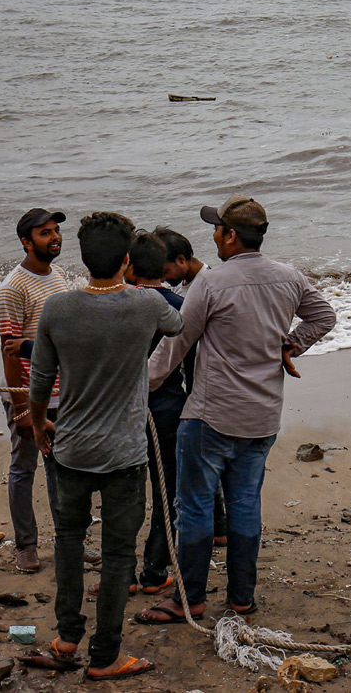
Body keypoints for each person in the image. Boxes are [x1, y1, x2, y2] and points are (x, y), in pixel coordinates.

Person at [139, 196, 336, 624]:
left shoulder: (212, 283)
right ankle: (241, 599)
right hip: (263, 414)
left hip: (211, 415)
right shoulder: (289, 277)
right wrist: (292, 343)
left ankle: (189, 600)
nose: (213, 237)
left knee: (193, 508)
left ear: (230, 235)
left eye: (216, 229)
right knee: (245, 503)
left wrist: (135, 391)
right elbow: (324, 316)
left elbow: (175, 345)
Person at [29, 212, 182, 680]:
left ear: (82, 256)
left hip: (70, 448)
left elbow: (40, 378)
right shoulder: (145, 305)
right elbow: (177, 325)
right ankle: (106, 656)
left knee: (70, 543)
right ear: (128, 260)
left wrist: (38, 423)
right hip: (124, 453)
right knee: (118, 556)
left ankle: (67, 638)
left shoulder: (57, 308)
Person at [0, 208, 73, 574]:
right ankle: (26, 546)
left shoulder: (57, 274)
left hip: (62, 393)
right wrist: (22, 406)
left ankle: (68, 541)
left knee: (61, 468)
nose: (54, 237)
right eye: (44, 233)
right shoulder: (12, 288)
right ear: (27, 242)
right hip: (29, 394)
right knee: (24, 468)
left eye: (56, 231)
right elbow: (9, 350)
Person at [153, 225, 226, 545]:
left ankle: (217, 525)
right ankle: (220, 526)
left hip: (206, 381)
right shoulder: (183, 288)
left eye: (165, 269)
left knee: (204, 461)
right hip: (190, 379)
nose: (162, 276)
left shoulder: (208, 286)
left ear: (182, 260)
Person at [126, 232, 186, 595]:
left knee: (128, 491)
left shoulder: (116, 303)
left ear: (128, 266)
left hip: (124, 409)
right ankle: (153, 570)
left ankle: (120, 573)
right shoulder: (176, 306)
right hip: (166, 406)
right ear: (164, 268)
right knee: (167, 489)